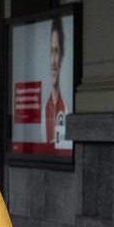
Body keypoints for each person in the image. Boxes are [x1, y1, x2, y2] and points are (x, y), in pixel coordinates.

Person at [43, 18, 68, 149]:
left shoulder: (66, 110)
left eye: (57, 51)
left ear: (62, 56)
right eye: (51, 51)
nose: (53, 62)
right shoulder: (44, 110)